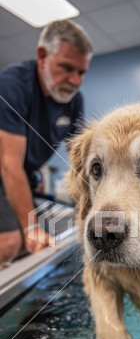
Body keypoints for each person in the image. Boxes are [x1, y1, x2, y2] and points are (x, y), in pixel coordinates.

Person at [0, 20, 93, 266]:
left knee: (28, 243)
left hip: (25, 172)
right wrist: (30, 229)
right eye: (66, 67)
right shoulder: (12, 86)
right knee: (10, 243)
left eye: (81, 72)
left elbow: (80, 161)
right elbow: (9, 165)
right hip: (5, 170)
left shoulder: (73, 101)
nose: (74, 80)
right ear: (42, 56)